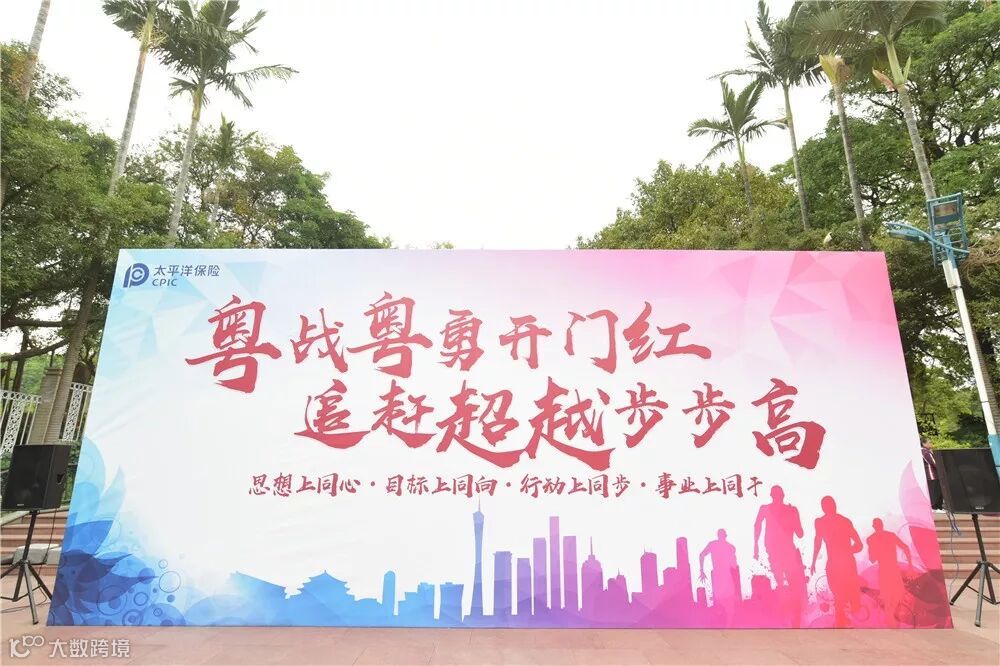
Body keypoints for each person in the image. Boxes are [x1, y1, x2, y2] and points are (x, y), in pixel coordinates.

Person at [811, 496, 863, 627]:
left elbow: (859, 545)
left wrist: (847, 551)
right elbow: (817, 542)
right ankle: (843, 624)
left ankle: (845, 623)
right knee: (841, 600)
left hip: (843, 564)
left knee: (846, 601)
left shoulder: (842, 522)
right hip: (838, 564)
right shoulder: (824, 522)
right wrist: (813, 561)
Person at [866, 518, 912, 626]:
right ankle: (891, 619)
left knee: (895, 595)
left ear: (874, 526)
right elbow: (905, 548)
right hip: (889, 570)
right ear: (881, 525)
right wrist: (910, 565)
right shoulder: (886, 536)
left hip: (888, 570)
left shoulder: (873, 539)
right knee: (891, 596)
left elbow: (872, 559)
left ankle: (892, 618)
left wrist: (910, 566)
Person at [921, 439, 943, 510]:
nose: (931, 444)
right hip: (932, 475)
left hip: (931, 475)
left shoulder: (924, 451)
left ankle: (937, 507)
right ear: (924, 444)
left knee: (935, 492)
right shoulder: (926, 452)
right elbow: (934, 463)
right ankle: (935, 507)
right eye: (929, 442)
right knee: (935, 492)